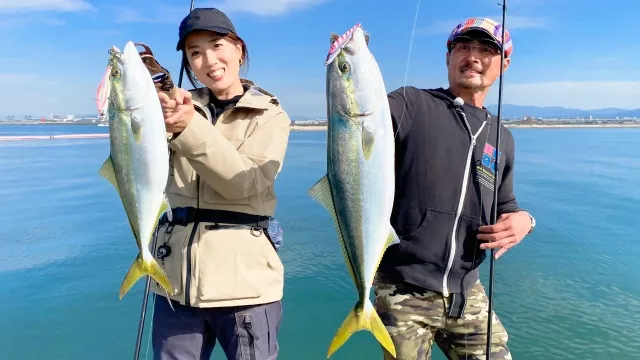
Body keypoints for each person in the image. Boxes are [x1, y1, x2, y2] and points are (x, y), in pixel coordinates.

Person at [374, 17, 536, 360]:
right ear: (448, 57)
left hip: (467, 290)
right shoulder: (411, 104)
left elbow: (505, 202)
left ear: (503, 63)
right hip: (404, 289)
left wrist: (524, 220)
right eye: (463, 47)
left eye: (486, 49)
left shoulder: (501, 136)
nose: (473, 56)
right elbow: (360, 119)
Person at [147, 7, 291, 360]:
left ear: (239, 49)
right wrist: (139, 98)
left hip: (245, 289)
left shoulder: (270, 115)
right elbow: (137, 161)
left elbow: (245, 183)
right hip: (175, 285)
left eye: (217, 45)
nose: (208, 59)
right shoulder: (173, 108)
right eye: (195, 53)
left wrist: (187, 128)